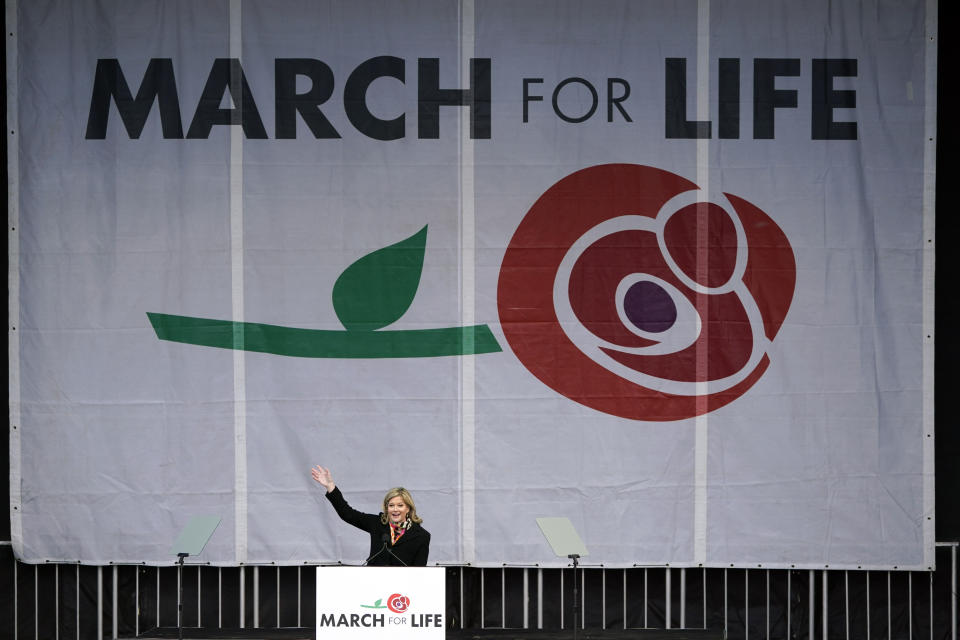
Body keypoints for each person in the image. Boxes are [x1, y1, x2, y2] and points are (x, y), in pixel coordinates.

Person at [310, 465, 430, 566]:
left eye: (400, 505)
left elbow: (419, 573)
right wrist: (330, 487)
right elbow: (348, 514)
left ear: (408, 508)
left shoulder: (421, 536)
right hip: (373, 586)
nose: (395, 509)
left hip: (401, 591)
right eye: (391, 505)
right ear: (386, 507)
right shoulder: (378, 523)